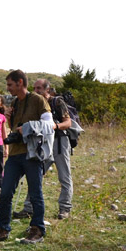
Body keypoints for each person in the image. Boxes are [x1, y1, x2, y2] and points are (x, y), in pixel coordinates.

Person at [0, 70, 52, 244]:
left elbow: (49, 125)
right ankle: (2, 229)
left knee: (35, 193)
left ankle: (37, 230)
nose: (7, 88)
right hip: (15, 154)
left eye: (10, 85)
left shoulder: (38, 100)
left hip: (32, 154)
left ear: (20, 82)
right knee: (6, 192)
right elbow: (15, 130)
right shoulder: (15, 102)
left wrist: (29, 127)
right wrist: (9, 120)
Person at [32, 80, 73, 219]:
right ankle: (29, 207)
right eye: (34, 88)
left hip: (60, 142)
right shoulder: (34, 104)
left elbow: (68, 122)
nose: (36, 90)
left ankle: (65, 208)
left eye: (39, 88)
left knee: (64, 176)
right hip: (43, 143)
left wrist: (55, 126)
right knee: (35, 175)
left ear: (47, 90)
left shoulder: (57, 102)